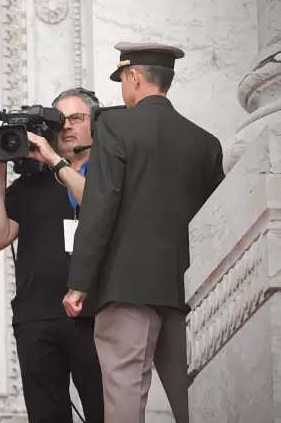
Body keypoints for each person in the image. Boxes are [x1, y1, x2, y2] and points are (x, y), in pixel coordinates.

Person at [63, 43, 226, 423]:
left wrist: (79, 283)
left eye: (122, 80)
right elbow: (216, 218)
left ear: (134, 77)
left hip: (126, 289)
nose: (123, 89)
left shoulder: (116, 126)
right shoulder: (205, 142)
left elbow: (101, 207)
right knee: (197, 403)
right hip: (184, 291)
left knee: (124, 402)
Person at [0, 88, 104, 423]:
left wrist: (53, 159)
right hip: (36, 319)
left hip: (96, 315)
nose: (66, 127)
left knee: (105, 411)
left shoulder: (108, 175)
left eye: (76, 118)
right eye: (59, 120)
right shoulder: (29, 185)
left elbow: (97, 205)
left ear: (95, 123)